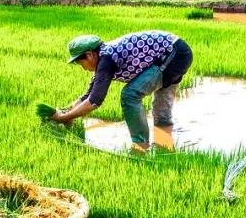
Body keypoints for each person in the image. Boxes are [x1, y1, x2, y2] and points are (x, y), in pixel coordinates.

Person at [51, 30, 193, 153]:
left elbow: (94, 101)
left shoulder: (106, 59)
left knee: (130, 95)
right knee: (161, 114)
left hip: (174, 55)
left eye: (80, 63)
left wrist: (65, 118)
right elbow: (89, 95)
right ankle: (164, 141)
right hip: (175, 53)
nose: (83, 68)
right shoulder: (105, 56)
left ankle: (140, 146)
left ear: (89, 55)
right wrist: (67, 110)